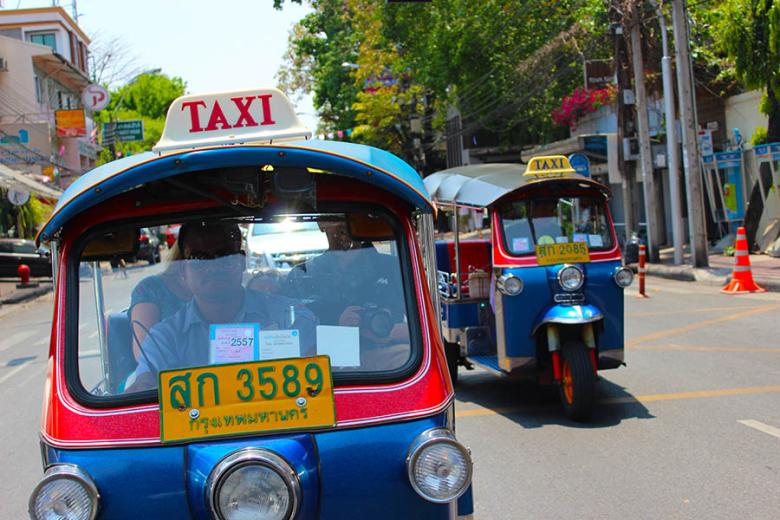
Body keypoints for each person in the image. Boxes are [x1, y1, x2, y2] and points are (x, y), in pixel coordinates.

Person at [125, 221, 316, 392]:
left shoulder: (287, 316)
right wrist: (143, 387)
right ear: (183, 270)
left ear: (241, 262)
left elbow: (320, 373)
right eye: (199, 259)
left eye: (224, 256)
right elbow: (145, 387)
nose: (213, 267)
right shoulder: (164, 338)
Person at [283, 218, 410, 370]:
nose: (344, 225)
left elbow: (424, 331)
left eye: (349, 217)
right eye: (334, 218)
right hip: (321, 364)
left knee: (404, 356)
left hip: (384, 364)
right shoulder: (301, 276)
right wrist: (338, 327)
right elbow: (287, 339)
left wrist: (388, 331)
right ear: (321, 224)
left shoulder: (394, 268)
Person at [128, 242, 191, 361]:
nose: (211, 269)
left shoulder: (225, 289)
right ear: (183, 266)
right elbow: (145, 356)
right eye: (200, 258)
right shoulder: (151, 289)